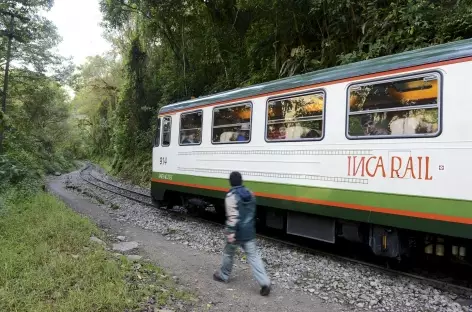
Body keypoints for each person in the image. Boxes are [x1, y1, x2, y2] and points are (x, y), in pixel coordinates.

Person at [213, 172, 271, 296]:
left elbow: (232, 217)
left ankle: (223, 275)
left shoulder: (231, 196)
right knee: (254, 257)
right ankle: (265, 282)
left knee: (228, 254)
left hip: (236, 233)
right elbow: (251, 213)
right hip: (249, 232)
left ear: (230, 182)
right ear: (241, 181)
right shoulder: (250, 193)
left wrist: (230, 233)